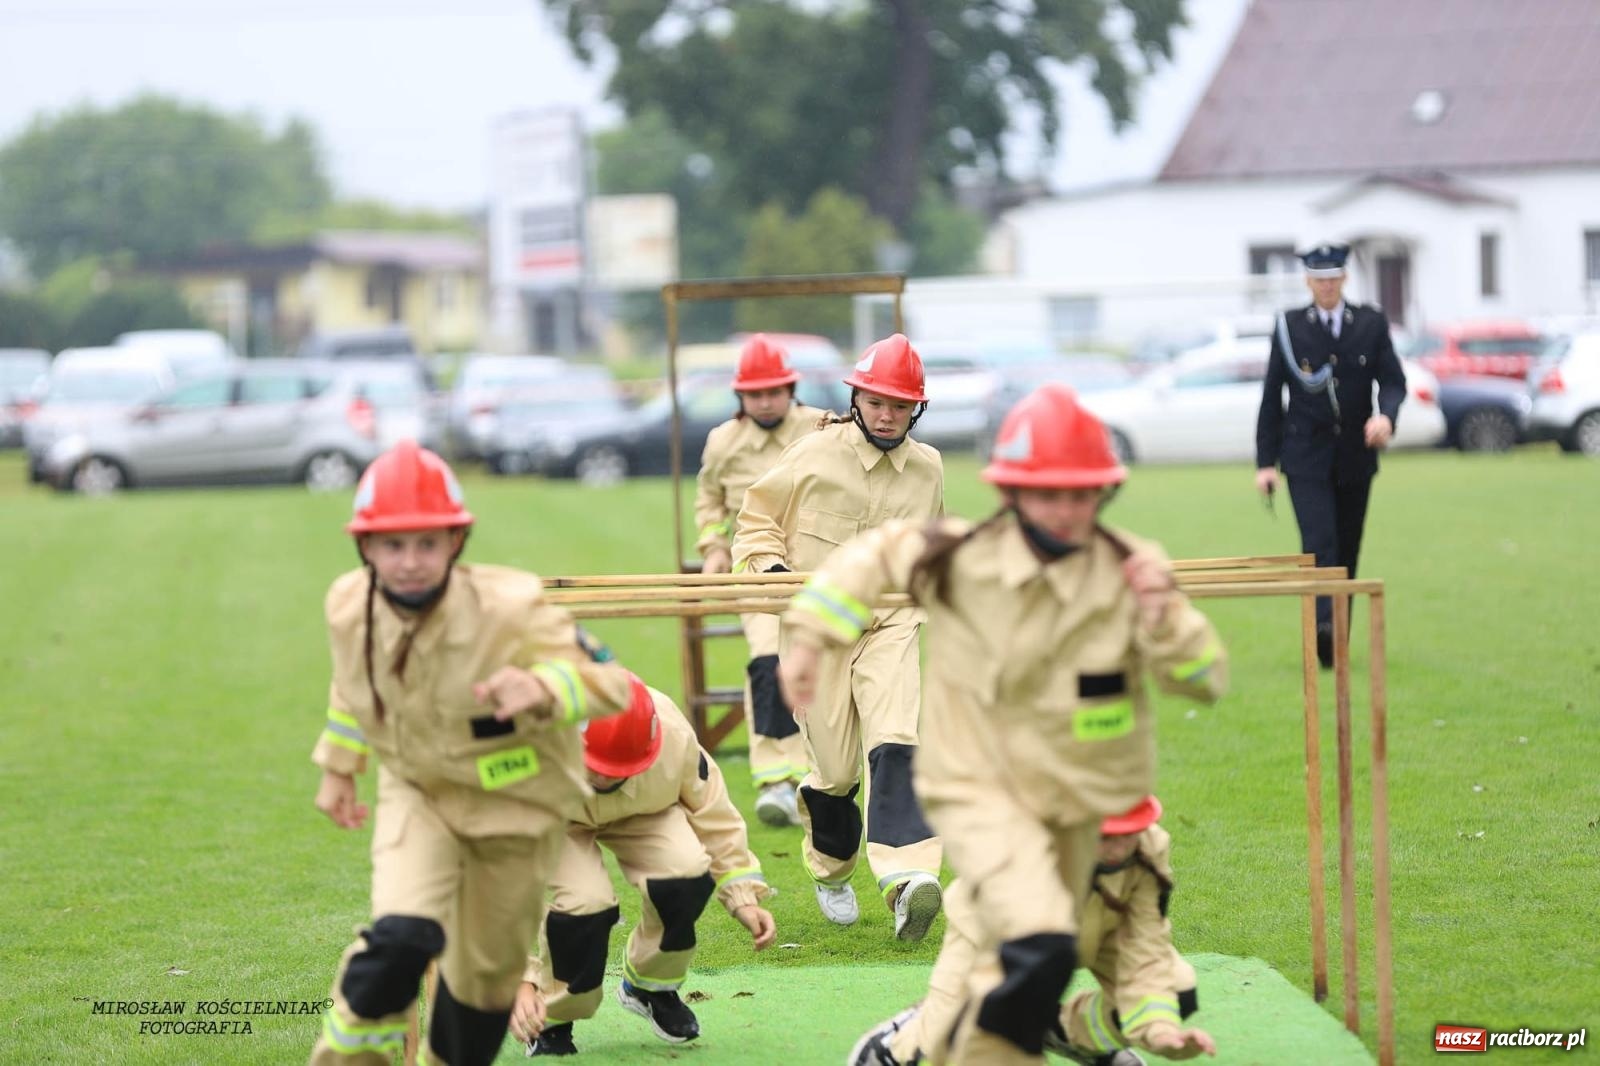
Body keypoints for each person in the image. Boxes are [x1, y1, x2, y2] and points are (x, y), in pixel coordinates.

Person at [780, 384, 1228, 1064]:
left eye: (1082, 494)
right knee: (1038, 940)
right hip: (983, 795)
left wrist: (1168, 620)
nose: (1068, 511)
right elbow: (867, 561)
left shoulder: (1134, 569)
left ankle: (914, 1045)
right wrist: (811, 640)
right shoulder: (959, 556)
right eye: (1049, 493)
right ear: (1012, 490)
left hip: (1087, 808)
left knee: (1017, 973)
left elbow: (1205, 680)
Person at [307, 440, 633, 1066]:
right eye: (392, 545)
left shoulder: (510, 607)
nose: (409, 562)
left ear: (456, 542)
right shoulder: (349, 605)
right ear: (365, 547)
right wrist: (338, 766)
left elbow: (610, 682)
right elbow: (355, 685)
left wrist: (540, 686)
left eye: (426, 543)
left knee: (481, 993)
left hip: (520, 806)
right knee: (400, 938)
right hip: (421, 792)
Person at [732, 332, 946, 941]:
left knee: (897, 740)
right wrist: (770, 570)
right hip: (817, 630)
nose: (886, 414)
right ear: (856, 399)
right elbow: (755, 522)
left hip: (891, 623)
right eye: (876, 401)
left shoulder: (928, 469)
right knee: (833, 773)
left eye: (899, 405)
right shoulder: (813, 454)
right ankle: (831, 869)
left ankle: (908, 877)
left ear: (916, 411)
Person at [510, 673, 776, 1056]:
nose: (603, 777)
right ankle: (550, 1018)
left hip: (644, 808)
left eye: (616, 769)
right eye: (596, 767)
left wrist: (743, 896)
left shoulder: (672, 734)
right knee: (586, 905)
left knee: (685, 872)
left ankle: (651, 985)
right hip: (553, 817)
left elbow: (713, 812)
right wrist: (521, 979)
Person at [849, 796, 1216, 1066]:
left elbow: (1145, 944)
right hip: (997, 930)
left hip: (1100, 926)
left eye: (1129, 833)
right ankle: (890, 1048)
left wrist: (1158, 1029)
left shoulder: (1150, 847)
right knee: (955, 1032)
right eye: (1106, 836)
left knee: (1175, 987)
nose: (1120, 848)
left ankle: (1064, 1030)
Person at [694, 333, 828, 828]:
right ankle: (775, 778)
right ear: (740, 397)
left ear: (790, 388)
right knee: (768, 660)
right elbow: (708, 500)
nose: (766, 401)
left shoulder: (821, 427)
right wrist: (712, 547)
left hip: (816, 566)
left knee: (819, 665)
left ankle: (818, 778)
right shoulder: (722, 442)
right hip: (753, 567)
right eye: (756, 393)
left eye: (774, 390)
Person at [1255, 242, 1407, 668]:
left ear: (1344, 279)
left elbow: (1394, 382)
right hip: (1304, 456)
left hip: (1355, 457)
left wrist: (1387, 418)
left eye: (1333, 278)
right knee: (1319, 543)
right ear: (1308, 281)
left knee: (1348, 549)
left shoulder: (1371, 323)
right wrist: (1265, 463)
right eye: (1318, 279)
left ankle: (1337, 636)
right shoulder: (1289, 327)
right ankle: (1323, 628)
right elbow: (1272, 397)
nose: (1326, 286)